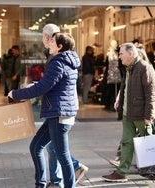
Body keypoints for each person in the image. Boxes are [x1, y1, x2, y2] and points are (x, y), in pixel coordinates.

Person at [8, 32, 80, 188]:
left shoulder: (59, 62)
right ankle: (40, 184)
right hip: (56, 113)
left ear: (60, 47)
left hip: (59, 114)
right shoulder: (64, 61)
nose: (49, 43)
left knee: (63, 156)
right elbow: (49, 84)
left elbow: (43, 87)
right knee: (36, 147)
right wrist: (34, 86)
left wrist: (15, 94)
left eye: (52, 41)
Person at [102, 42, 155, 182]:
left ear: (131, 53)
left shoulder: (145, 68)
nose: (119, 56)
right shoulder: (129, 68)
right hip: (128, 113)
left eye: (121, 53)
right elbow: (125, 88)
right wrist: (120, 101)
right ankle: (121, 172)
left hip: (141, 114)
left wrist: (149, 116)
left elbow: (151, 93)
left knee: (149, 143)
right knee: (127, 142)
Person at [42, 24, 88, 188]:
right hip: (59, 108)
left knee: (57, 149)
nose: (44, 41)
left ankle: (63, 177)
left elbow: (48, 85)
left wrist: (20, 93)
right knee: (51, 147)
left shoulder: (59, 60)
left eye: (46, 38)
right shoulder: (59, 56)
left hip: (60, 110)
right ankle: (59, 179)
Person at [104, 40, 122, 111]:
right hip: (111, 73)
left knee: (117, 89)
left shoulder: (118, 52)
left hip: (117, 73)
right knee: (111, 90)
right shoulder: (109, 52)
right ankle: (111, 104)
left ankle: (116, 104)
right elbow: (107, 63)